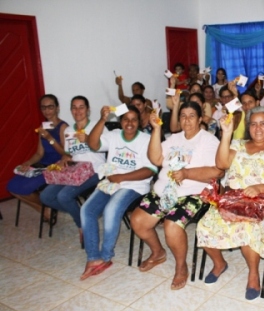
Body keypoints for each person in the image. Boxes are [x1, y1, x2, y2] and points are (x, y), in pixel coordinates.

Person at [196, 106, 264, 300]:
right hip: (234, 201)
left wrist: (260, 188)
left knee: (249, 231)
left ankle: (253, 274)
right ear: (248, 127)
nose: (258, 128)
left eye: (263, 123)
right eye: (253, 124)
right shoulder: (238, 145)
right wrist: (227, 133)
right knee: (204, 226)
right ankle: (219, 264)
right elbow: (221, 164)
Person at [130, 101, 223, 289]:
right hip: (164, 191)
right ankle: (158, 253)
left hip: (193, 193)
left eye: (191, 116)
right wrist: (156, 129)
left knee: (171, 225)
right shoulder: (174, 139)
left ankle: (181, 266)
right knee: (138, 221)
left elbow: (217, 172)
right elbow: (155, 158)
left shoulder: (209, 140)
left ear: (199, 119)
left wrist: (187, 173)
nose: (187, 120)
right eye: (183, 116)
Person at [79, 104, 157, 280]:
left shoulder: (146, 139)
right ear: (120, 121)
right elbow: (92, 144)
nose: (129, 123)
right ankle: (93, 257)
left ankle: (105, 256)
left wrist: (122, 177)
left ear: (139, 122)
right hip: (112, 182)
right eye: (126, 119)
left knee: (111, 209)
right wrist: (102, 119)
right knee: (87, 210)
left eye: (134, 119)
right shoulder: (113, 135)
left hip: (134, 185)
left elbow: (150, 170)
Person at [40, 96, 106, 244]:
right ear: (70, 110)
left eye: (81, 107)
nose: (78, 111)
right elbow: (70, 154)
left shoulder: (98, 125)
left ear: (88, 110)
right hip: (75, 172)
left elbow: (107, 147)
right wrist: (65, 157)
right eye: (74, 107)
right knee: (46, 196)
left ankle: (82, 225)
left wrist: (89, 139)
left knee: (64, 196)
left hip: (95, 170)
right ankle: (83, 217)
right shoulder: (69, 130)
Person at [7, 94, 68, 219]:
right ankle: (44, 208)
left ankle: (47, 207)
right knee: (11, 186)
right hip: (42, 165)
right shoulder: (43, 127)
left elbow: (66, 154)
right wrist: (27, 163)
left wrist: (49, 138)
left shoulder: (63, 127)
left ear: (57, 108)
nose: (47, 111)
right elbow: (39, 153)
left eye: (50, 107)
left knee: (24, 188)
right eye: (44, 108)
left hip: (56, 166)